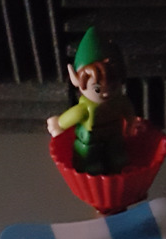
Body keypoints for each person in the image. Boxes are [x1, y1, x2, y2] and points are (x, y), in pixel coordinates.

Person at [46, 27, 136, 175]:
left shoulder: (120, 101)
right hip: (90, 139)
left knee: (117, 154)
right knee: (90, 158)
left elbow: (128, 111)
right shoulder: (85, 109)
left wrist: (131, 123)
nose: (106, 93)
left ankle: (116, 161)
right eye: (97, 89)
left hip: (114, 135)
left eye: (112, 87)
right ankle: (90, 165)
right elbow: (73, 115)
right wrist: (59, 124)